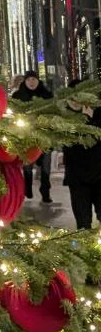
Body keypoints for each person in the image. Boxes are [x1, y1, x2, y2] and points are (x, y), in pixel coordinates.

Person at [63, 84, 101, 229]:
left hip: (99, 175)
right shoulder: (63, 117)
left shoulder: (98, 114)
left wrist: (90, 118)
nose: (75, 101)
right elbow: (70, 143)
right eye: (72, 97)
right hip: (77, 178)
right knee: (83, 223)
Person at [12, 70, 53, 201]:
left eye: (34, 79)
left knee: (46, 164)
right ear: (25, 81)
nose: (31, 82)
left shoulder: (46, 95)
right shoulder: (18, 95)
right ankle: (27, 187)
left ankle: (45, 190)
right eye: (29, 79)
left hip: (44, 134)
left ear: (38, 80)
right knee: (27, 164)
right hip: (26, 135)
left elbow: (53, 111)